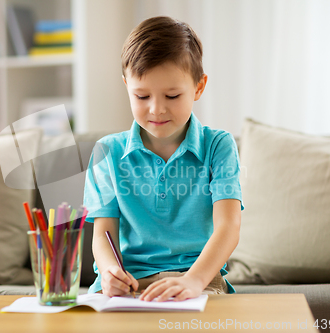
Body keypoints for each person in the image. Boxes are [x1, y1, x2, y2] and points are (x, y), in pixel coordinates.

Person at [83, 16, 244, 302]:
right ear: (126, 87)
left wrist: (193, 281)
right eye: (142, 96)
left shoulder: (218, 145)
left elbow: (228, 226)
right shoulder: (107, 152)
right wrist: (109, 273)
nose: (156, 109)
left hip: (196, 278)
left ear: (198, 87)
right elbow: (103, 235)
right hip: (129, 283)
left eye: (172, 95)